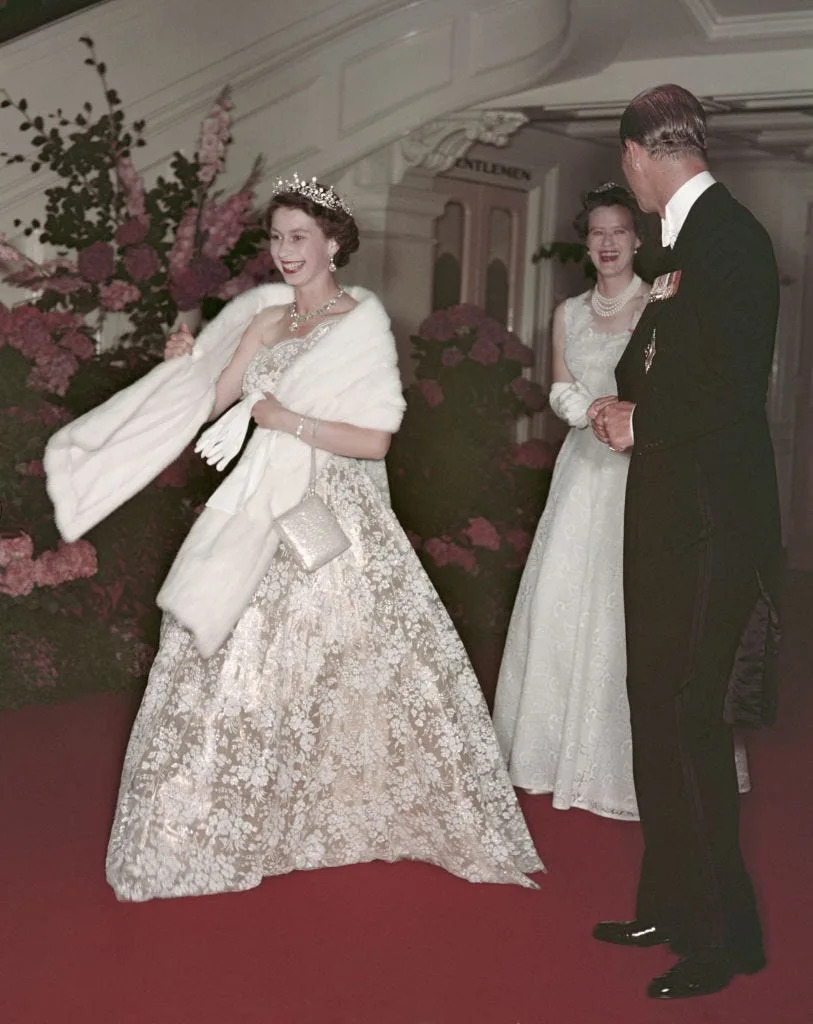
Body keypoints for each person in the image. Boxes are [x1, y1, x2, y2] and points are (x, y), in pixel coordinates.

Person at [46, 175, 543, 901]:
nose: (285, 251)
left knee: (343, 651)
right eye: (278, 237)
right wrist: (182, 364)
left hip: (334, 509)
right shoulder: (266, 321)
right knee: (233, 654)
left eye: (300, 237)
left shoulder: (360, 324)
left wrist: (287, 421)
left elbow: (374, 441)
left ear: (333, 243)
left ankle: (350, 804)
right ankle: (231, 821)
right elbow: (210, 402)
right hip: (262, 503)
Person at [589, 85, 781, 999]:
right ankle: (669, 903)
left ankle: (720, 939)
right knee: (653, 711)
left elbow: (735, 389)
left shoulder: (730, 239)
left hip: (710, 520)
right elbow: (653, 363)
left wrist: (645, 420)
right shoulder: (679, 247)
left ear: (638, 153)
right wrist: (626, 401)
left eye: (622, 163)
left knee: (688, 717)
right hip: (666, 512)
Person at [492, 183, 649, 818]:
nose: (608, 243)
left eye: (619, 232)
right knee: (563, 594)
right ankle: (550, 754)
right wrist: (590, 410)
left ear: (638, 239)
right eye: (597, 233)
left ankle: (625, 764)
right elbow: (558, 387)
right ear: (586, 244)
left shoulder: (659, 305)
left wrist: (627, 416)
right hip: (583, 466)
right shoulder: (569, 312)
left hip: (639, 466)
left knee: (625, 601)